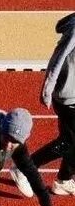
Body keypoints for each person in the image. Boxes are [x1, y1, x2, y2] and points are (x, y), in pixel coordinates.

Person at [30, 12, 75, 195]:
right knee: (69, 141)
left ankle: (64, 179)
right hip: (69, 95)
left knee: (70, 139)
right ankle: (27, 166)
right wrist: (48, 87)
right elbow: (59, 57)